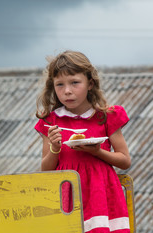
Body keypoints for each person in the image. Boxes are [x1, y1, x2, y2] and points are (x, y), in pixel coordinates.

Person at [34, 50, 131, 233]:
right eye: (60, 85)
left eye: (75, 83)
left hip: (102, 196)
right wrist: (55, 148)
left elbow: (125, 160)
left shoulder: (106, 117)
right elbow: (45, 170)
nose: (67, 91)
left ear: (90, 84)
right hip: (66, 196)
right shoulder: (50, 121)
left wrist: (97, 152)